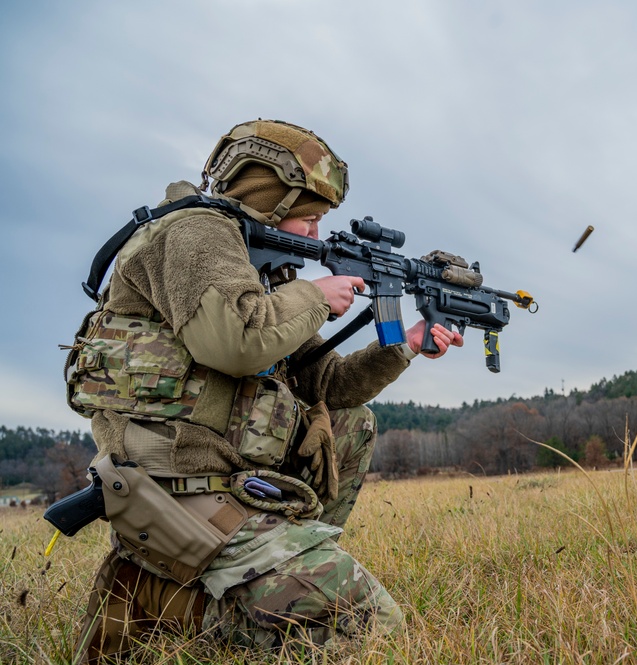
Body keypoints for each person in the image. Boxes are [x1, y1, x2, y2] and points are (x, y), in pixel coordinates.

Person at [65, 119, 462, 662]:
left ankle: (284, 567)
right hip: (173, 484)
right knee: (366, 623)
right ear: (269, 196)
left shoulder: (264, 278)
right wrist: (317, 295)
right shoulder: (195, 234)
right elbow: (236, 343)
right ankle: (166, 599)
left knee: (351, 425)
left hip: (229, 480)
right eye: (310, 218)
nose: (316, 238)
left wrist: (407, 343)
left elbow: (330, 384)